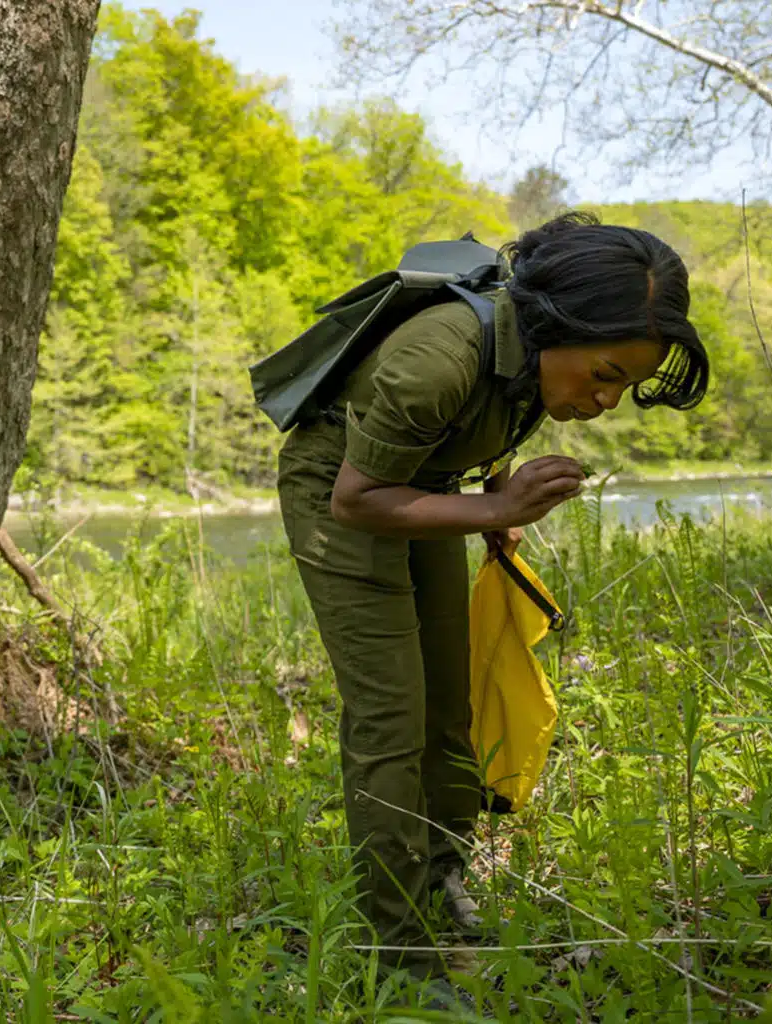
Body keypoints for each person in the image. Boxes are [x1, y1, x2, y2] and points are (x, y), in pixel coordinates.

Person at [276, 211, 708, 989]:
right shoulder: (437, 358)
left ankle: (441, 879)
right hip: (344, 490)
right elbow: (357, 499)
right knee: (390, 720)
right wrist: (494, 512)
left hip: (420, 488)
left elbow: (481, 423)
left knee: (450, 705)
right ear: (556, 325)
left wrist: (491, 499)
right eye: (606, 374)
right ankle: (401, 959)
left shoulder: (539, 357)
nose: (608, 400)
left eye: (627, 385)